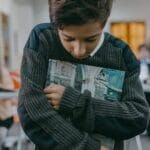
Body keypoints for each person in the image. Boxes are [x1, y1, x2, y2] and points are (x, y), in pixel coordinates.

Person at [17, 0, 149, 150]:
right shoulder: (43, 38)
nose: (79, 50)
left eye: (90, 39)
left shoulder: (121, 55)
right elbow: (31, 112)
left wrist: (75, 103)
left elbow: (137, 117)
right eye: (68, 38)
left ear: (103, 24)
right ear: (56, 26)